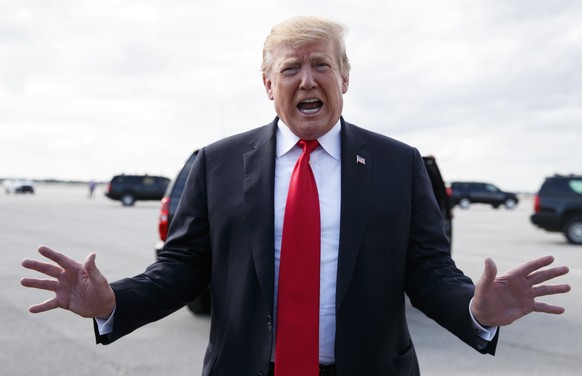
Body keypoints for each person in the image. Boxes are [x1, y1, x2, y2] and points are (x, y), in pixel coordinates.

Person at [21, 16, 570, 376]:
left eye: (321, 64)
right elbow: (183, 268)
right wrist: (112, 302)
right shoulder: (217, 163)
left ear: (344, 77)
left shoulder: (398, 164)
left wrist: (477, 309)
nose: (307, 80)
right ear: (268, 84)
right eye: (291, 68)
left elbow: (427, 271)